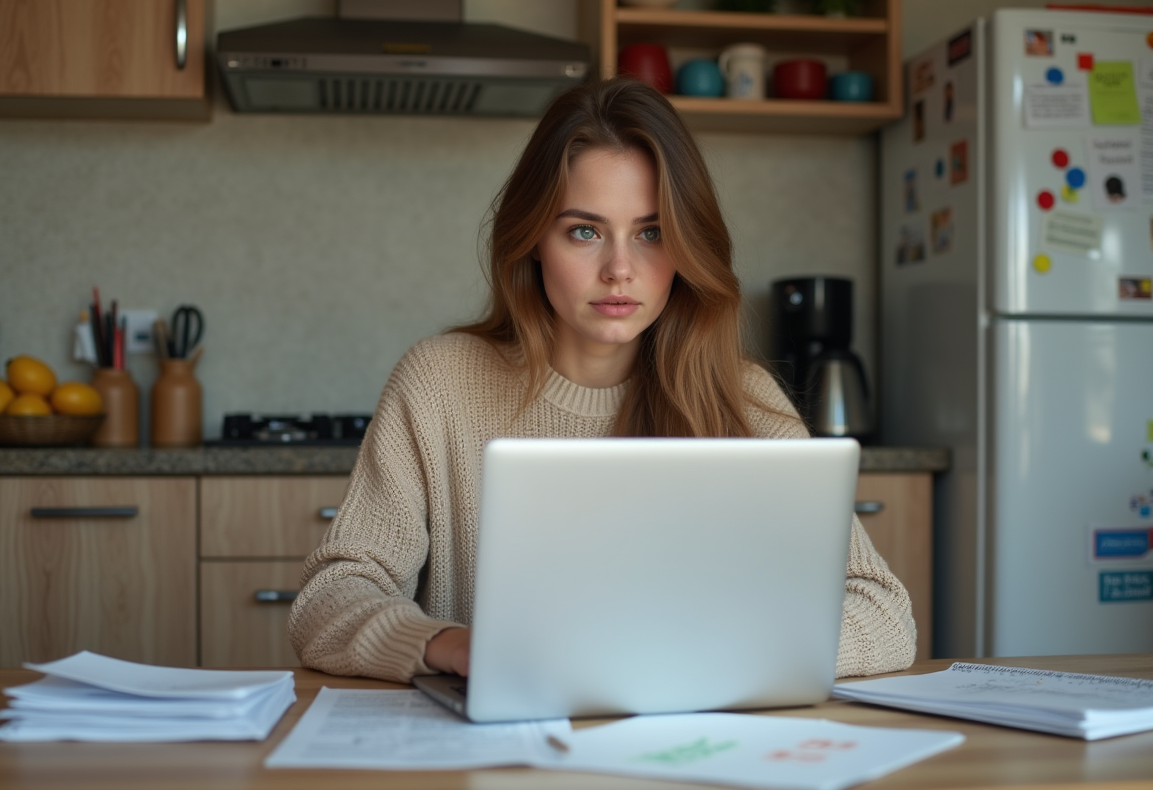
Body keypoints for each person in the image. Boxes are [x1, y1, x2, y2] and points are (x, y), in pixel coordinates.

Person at [289, 77, 916, 683]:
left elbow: (883, 613)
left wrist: (712, 653)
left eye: (652, 233)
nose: (620, 269)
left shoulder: (744, 399)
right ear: (534, 239)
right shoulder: (439, 383)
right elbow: (329, 599)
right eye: (584, 231)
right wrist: (451, 645)